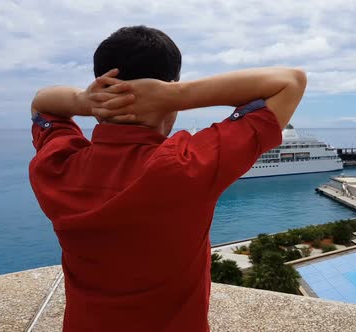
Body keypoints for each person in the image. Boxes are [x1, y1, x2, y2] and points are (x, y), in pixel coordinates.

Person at [29, 25, 306, 332]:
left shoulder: (57, 167)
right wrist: (178, 94)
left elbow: (42, 103)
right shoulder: (185, 164)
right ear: (167, 94)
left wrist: (86, 101)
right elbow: (289, 82)